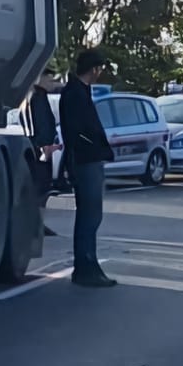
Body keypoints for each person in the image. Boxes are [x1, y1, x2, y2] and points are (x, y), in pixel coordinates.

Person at [57, 50, 118, 288]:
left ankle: (88, 265)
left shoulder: (81, 92)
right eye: (100, 68)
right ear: (94, 69)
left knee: (91, 215)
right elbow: (77, 131)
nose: (101, 73)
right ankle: (85, 266)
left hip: (88, 159)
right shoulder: (74, 94)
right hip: (85, 161)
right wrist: (96, 148)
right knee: (89, 216)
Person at [23, 70, 60, 238]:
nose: (52, 84)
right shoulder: (38, 97)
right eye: (50, 80)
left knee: (43, 187)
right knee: (40, 186)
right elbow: (42, 124)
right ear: (41, 79)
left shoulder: (36, 96)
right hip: (41, 148)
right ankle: (35, 224)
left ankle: (37, 223)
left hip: (41, 146)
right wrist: (44, 145)